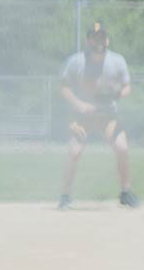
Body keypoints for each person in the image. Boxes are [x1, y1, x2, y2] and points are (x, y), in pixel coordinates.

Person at [57, 21, 138, 209]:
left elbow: (127, 87)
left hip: (108, 115)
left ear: (107, 40)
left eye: (102, 37)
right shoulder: (77, 61)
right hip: (82, 117)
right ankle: (65, 195)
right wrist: (79, 105)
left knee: (122, 147)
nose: (99, 41)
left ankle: (125, 193)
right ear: (88, 41)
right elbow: (63, 87)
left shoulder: (117, 61)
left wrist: (117, 95)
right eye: (95, 38)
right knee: (74, 151)